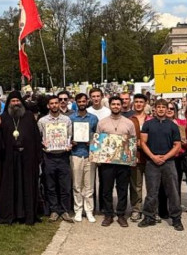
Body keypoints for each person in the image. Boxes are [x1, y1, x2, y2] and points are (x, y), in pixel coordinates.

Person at [0, 91, 42, 225]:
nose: (15, 103)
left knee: (26, 185)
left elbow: (36, 137)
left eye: (17, 101)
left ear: (21, 102)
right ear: (9, 103)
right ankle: (12, 213)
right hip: (10, 159)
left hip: (27, 158)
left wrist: (38, 156)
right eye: (13, 101)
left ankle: (26, 214)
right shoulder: (3, 117)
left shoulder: (28, 116)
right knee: (11, 186)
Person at [138, 99, 183, 231]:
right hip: (152, 162)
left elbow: (177, 145)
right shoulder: (148, 124)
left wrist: (166, 157)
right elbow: (143, 142)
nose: (162, 109)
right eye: (159, 107)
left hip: (168, 162)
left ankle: (176, 218)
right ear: (155, 109)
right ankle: (149, 216)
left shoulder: (173, 125)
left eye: (164, 107)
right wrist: (152, 156)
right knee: (152, 191)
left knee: (173, 191)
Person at [96, 96, 140, 228]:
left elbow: (133, 141)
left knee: (122, 189)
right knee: (106, 189)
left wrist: (133, 157)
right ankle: (108, 214)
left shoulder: (129, 123)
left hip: (123, 162)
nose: (116, 106)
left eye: (118, 104)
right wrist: (98, 158)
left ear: (121, 106)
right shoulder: (102, 123)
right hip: (107, 162)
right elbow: (98, 141)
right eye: (113, 104)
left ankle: (121, 214)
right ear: (110, 106)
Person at [38, 95, 73, 223]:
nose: (54, 105)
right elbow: (39, 138)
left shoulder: (67, 120)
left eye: (56, 103)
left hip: (63, 155)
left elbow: (69, 136)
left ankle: (64, 211)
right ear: (48, 106)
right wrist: (44, 144)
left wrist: (69, 145)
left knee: (65, 185)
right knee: (50, 185)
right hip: (49, 156)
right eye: (51, 103)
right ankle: (54, 210)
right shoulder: (42, 121)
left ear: (59, 104)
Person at [69, 93, 98, 223]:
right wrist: (71, 141)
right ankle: (78, 209)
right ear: (76, 103)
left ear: (87, 102)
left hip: (89, 154)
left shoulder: (93, 118)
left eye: (83, 101)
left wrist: (91, 141)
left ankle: (89, 210)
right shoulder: (71, 118)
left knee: (89, 185)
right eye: (79, 101)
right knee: (77, 185)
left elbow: (97, 137)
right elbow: (67, 136)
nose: (82, 103)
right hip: (75, 154)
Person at [127, 93, 150, 221]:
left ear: (145, 103)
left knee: (152, 185)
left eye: (141, 102)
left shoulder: (151, 119)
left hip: (150, 157)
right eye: (136, 102)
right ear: (133, 103)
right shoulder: (129, 120)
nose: (139, 104)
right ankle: (136, 209)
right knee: (136, 185)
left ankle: (151, 209)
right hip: (135, 157)